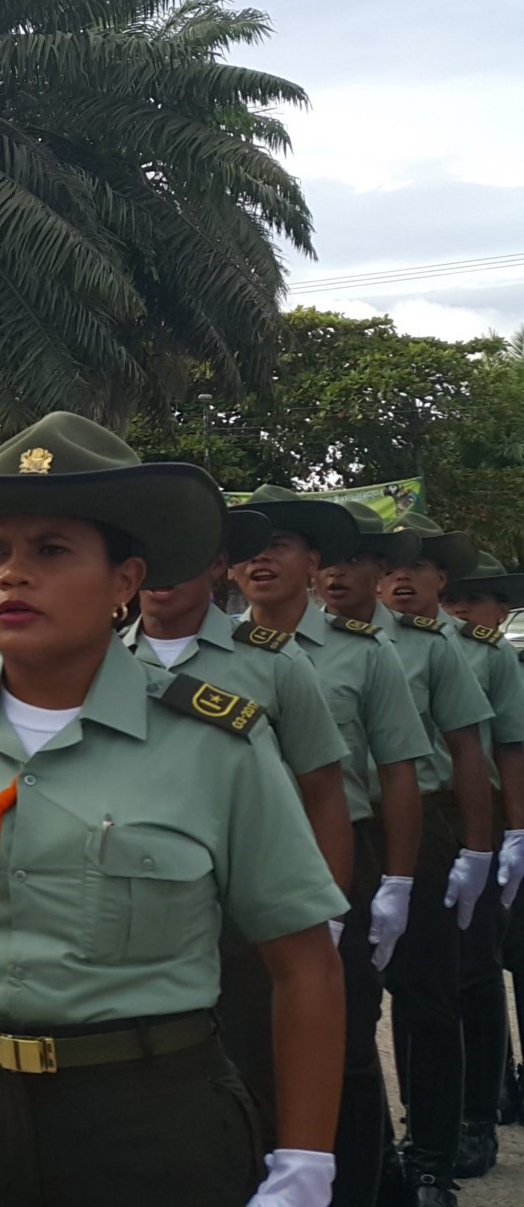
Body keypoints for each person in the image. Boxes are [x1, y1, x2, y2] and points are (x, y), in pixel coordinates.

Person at [0, 412, 346, 1207]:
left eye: (51, 550)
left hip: (150, 1116)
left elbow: (305, 964)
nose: (12, 576)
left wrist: (305, 1162)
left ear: (125, 581)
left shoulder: (213, 741)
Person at [231, 485, 431, 1207]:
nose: (261, 560)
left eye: (278, 546)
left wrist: (397, 884)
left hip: (337, 853)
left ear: (313, 561)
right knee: (246, 1037)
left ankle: (370, 1186)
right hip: (238, 863)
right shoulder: (211, 656)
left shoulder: (361, 654)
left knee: (341, 1043)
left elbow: (399, 772)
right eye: (248, 550)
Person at [126, 514, 352, 1147]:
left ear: (217, 566)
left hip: (250, 906)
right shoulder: (103, 661)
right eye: (150, 564)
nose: (161, 580)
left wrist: (324, 913)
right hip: (147, 901)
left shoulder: (273, 664)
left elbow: (323, 791)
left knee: (257, 1070)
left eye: (181, 561)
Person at [383, 514, 522, 1183]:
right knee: (408, 984)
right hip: (379, 823)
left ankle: (474, 1116)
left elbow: (503, 749)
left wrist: (507, 836)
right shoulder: (358, 645)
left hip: (460, 820)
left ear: (443, 578)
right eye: (391, 568)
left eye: (420, 568)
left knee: (469, 971)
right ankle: (418, 1125)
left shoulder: (477, 650)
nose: (401, 579)